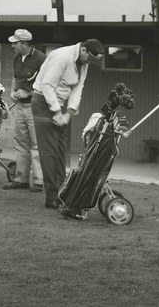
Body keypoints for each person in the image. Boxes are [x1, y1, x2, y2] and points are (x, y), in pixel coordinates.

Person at [32, 38, 106, 208]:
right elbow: (47, 85)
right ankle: (52, 198)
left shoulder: (84, 63)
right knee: (49, 152)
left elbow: (78, 88)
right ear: (84, 50)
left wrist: (68, 113)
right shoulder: (61, 56)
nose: (89, 63)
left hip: (60, 105)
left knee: (60, 151)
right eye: (90, 58)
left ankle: (63, 192)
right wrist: (57, 112)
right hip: (43, 102)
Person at [2, 28, 45, 191]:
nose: (13, 46)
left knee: (36, 144)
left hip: (35, 108)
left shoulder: (41, 59)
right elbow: (15, 78)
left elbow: (46, 84)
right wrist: (13, 92)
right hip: (20, 107)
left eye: (15, 43)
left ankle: (39, 180)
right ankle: (21, 179)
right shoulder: (17, 58)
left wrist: (29, 92)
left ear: (24, 43)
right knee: (21, 143)